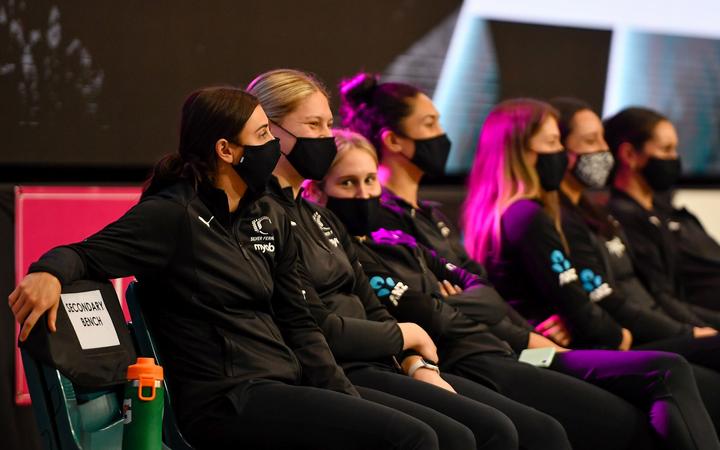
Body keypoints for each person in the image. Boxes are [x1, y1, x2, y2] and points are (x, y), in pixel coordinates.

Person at [7, 87, 446, 450]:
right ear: (226, 150)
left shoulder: (266, 216)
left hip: (284, 383)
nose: (273, 148)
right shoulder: (173, 214)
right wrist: (47, 273)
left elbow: (299, 322)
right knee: (413, 438)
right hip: (225, 400)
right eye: (262, 136)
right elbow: (85, 254)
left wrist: (342, 396)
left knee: (433, 433)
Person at [307, 127, 718, 450]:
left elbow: (483, 292)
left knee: (665, 377)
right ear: (317, 192)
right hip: (486, 358)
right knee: (629, 408)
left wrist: (502, 322)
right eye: (347, 184)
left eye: (368, 181)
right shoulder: (523, 217)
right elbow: (431, 315)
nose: (363, 194)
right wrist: (506, 325)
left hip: (520, 347)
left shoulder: (399, 241)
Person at [247, 69, 521, 450]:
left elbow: (371, 303)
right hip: (335, 367)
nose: (326, 137)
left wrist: (414, 362)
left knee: (500, 427)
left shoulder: (321, 217)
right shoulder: (260, 218)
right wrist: (406, 333)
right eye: (313, 125)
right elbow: (312, 324)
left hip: (385, 359)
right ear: (269, 131)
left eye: (329, 123)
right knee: (465, 434)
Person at [460, 97, 720, 449]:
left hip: (544, 344)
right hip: (535, 353)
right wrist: (619, 337)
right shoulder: (526, 215)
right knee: (668, 369)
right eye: (552, 144)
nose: (563, 156)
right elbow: (577, 304)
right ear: (522, 152)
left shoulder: (525, 212)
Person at [551, 97, 720, 429]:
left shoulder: (598, 214)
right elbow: (603, 297)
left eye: (602, 138)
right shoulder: (563, 219)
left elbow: (651, 292)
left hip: (653, 326)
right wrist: (687, 332)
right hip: (626, 338)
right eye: (590, 141)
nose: (604, 151)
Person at [605, 107, 720, 318]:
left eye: (675, 149)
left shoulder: (669, 213)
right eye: (666, 150)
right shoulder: (623, 217)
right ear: (629, 154)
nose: (674, 158)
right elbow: (663, 296)